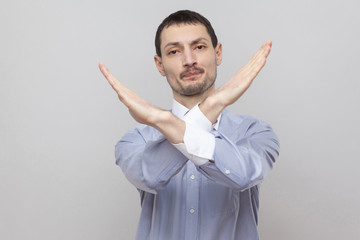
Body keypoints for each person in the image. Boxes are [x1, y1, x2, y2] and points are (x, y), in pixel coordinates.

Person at [99, 10, 279, 240]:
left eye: (199, 47)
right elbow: (148, 176)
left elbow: (242, 175)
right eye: (174, 51)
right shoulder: (137, 140)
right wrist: (214, 105)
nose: (189, 60)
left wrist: (162, 119)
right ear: (160, 64)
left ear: (218, 53)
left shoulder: (256, 132)